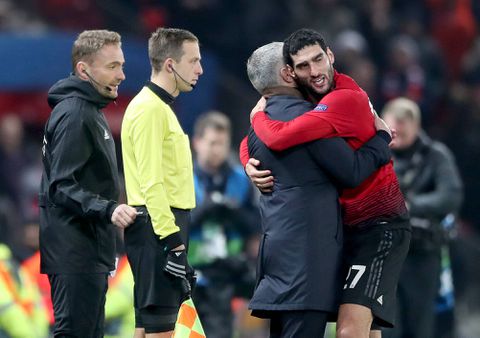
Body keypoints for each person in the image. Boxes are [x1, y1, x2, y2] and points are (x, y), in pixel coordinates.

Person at [246, 29, 411, 338]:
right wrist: (248, 165)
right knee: (365, 330)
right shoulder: (311, 98)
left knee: (349, 332)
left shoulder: (340, 100)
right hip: (348, 226)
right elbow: (252, 143)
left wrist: (382, 137)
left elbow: (278, 138)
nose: (314, 71)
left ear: (331, 55)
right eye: (303, 66)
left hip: (380, 225)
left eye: (318, 60)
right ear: (291, 72)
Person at [39, 30, 138, 338]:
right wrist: (108, 209)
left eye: (121, 65)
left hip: (86, 250)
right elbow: (62, 185)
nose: (122, 74)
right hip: (74, 251)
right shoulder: (75, 113)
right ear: (84, 70)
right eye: (112, 66)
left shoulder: (88, 110)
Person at [121, 27, 203, 338]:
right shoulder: (149, 109)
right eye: (193, 61)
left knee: (147, 326)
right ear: (170, 64)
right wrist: (173, 241)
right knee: (162, 329)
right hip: (159, 227)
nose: (200, 69)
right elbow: (151, 182)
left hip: (158, 226)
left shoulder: (156, 107)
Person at [380, 97, 463, 338]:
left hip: (422, 253)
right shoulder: (374, 155)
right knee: (387, 327)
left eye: (404, 130)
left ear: (416, 126)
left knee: (421, 324)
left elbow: (450, 196)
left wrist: (409, 205)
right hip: (385, 253)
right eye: (394, 129)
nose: (398, 134)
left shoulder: (436, 155)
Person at [190, 111, 259, 338]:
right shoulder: (183, 178)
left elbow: (255, 226)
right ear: (197, 142)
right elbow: (173, 225)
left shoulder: (241, 179)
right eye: (212, 143)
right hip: (188, 276)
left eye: (222, 143)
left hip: (225, 275)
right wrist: (204, 210)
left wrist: (233, 211)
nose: (217, 149)